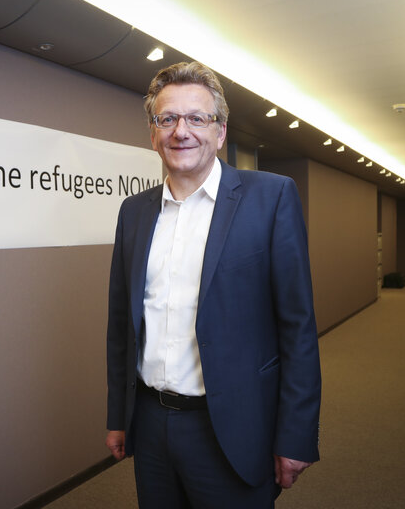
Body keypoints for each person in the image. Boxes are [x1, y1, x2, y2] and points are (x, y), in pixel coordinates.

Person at [105, 61, 321, 508]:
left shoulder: (271, 198)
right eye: (168, 119)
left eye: (197, 118)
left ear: (220, 132)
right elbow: (120, 326)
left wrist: (296, 435)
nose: (181, 131)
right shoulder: (134, 212)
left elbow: (297, 329)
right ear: (153, 133)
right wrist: (118, 417)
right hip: (151, 425)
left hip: (233, 428)